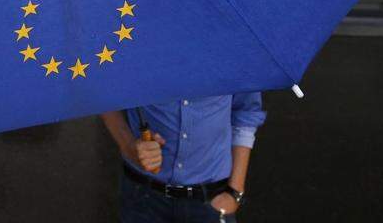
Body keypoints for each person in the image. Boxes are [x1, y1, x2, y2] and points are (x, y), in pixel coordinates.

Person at [101, 92, 265, 223]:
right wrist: (128, 145)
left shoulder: (234, 53)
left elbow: (246, 113)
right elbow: (102, 89)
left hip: (212, 198)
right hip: (144, 195)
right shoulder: (135, 50)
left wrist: (235, 193)